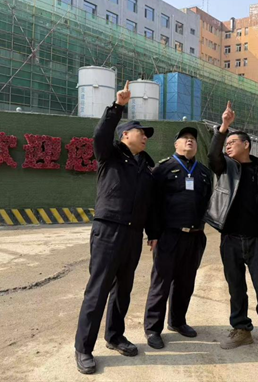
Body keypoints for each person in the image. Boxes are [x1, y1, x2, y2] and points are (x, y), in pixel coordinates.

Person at [74, 81, 156, 375]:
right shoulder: (109, 155)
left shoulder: (147, 168)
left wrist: (153, 234)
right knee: (97, 290)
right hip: (108, 231)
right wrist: (118, 106)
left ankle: (115, 336)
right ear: (125, 135)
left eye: (147, 135)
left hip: (133, 235)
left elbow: (150, 205)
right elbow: (100, 134)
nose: (145, 137)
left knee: (123, 289)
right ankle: (84, 348)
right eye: (140, 132)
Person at [204, 101, 258, 366]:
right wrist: (223, 128)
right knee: (236, 288)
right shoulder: (225, 167)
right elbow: (213, 156)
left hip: (257, 240)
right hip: (230, 239)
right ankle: (242, 329)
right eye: (226, 143)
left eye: (232, 142)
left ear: (246, 145)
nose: (228, 146)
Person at [143, 127, 213, 349]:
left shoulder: (204, 172)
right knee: (161, 283)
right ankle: (153, 329)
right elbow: (152, 204)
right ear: (176, 144)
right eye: (185, 138)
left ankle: (177, 321)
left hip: (195, 236)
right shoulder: (163, 169)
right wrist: (153, 234)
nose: (190, 141)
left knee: (186, 282)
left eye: (193, 139)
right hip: (169, 235)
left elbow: (208, 202)